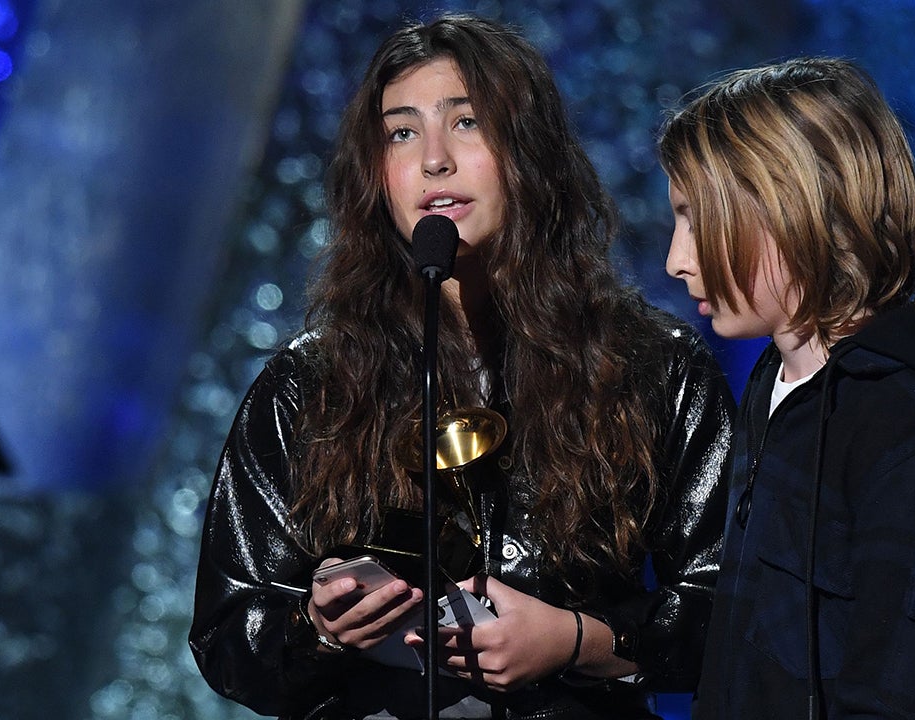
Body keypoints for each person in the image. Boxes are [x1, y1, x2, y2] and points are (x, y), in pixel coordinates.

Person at [189, 13, 734, 720]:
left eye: (467, 122)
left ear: (530, 150)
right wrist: (317, 629)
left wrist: (576, 640)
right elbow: (228, 635)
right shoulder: (309, 385)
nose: (434, 160)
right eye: (402, 132)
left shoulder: (655, 368)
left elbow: (729, 612)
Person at [657, 57, 915, 719]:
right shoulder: (773, 388)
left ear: (792, 210)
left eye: (697, 219)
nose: (676, 258)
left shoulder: (911, 425)